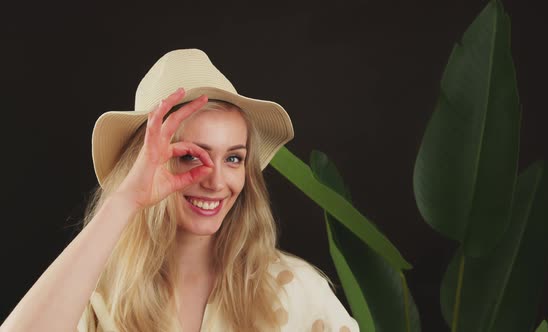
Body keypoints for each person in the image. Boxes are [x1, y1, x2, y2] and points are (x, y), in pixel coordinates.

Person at [1, 49, 359, 332]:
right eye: (189, 155)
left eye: (234, 159)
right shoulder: (96, 294)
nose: (217, 181)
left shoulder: (293, 289)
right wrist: (126, 199)